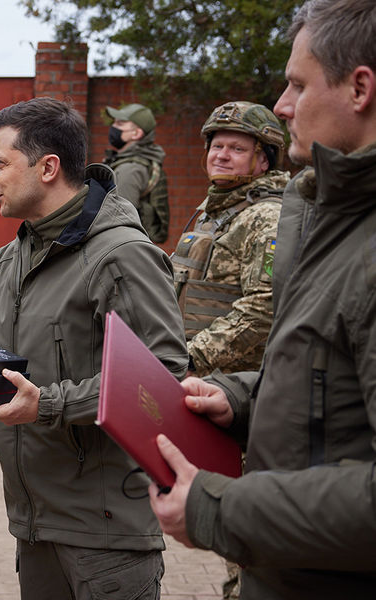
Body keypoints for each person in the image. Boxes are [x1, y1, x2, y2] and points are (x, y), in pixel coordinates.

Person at [0, 97, 187, 599]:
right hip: (35, 522)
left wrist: (50, 404)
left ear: (48, 167)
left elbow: (161, 377)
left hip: (104, 534)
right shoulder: (14, 255)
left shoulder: (121, 256)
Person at [149, 1, 376, 598]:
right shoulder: (327, 216)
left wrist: (220, 509)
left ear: (360, 88)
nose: (283, 102)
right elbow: (323, 371)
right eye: (215, 145)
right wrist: (241, 396)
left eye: (298, 84)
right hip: (290, 554)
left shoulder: (286, 218)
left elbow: (258, 312)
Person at [173, 101, 290, 378]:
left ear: (265, 160)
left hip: (232, 386)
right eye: (217, 146)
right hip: (197, 372)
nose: (221, 156)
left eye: (237, 149)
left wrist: (192, 358)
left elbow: (263, 308)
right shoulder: (215, 211)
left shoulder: (267, 217)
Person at [104, 103, 170, 243]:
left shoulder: (130, 169)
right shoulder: (137, 161)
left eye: (120, 123)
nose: (113, 127)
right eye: (114, 122)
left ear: (137, 133)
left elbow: (120, 221)